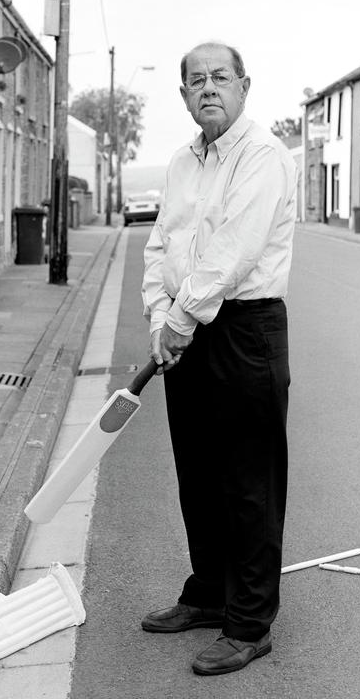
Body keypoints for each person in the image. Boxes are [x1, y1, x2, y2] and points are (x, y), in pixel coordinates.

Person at [140, 41, 297, 676]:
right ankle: (209, 593)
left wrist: (179, 319)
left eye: (220, 78)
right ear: (183, 96)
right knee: (198, 473)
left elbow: (232, 252)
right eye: (196, 80)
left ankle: (250, 622)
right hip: (186, 324)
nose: (209, 88)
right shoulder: (182, 161)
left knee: (249, 483)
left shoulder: (262, 155)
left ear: (244, 86)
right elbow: (162, 242)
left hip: (243, 329)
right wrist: (160, 314)